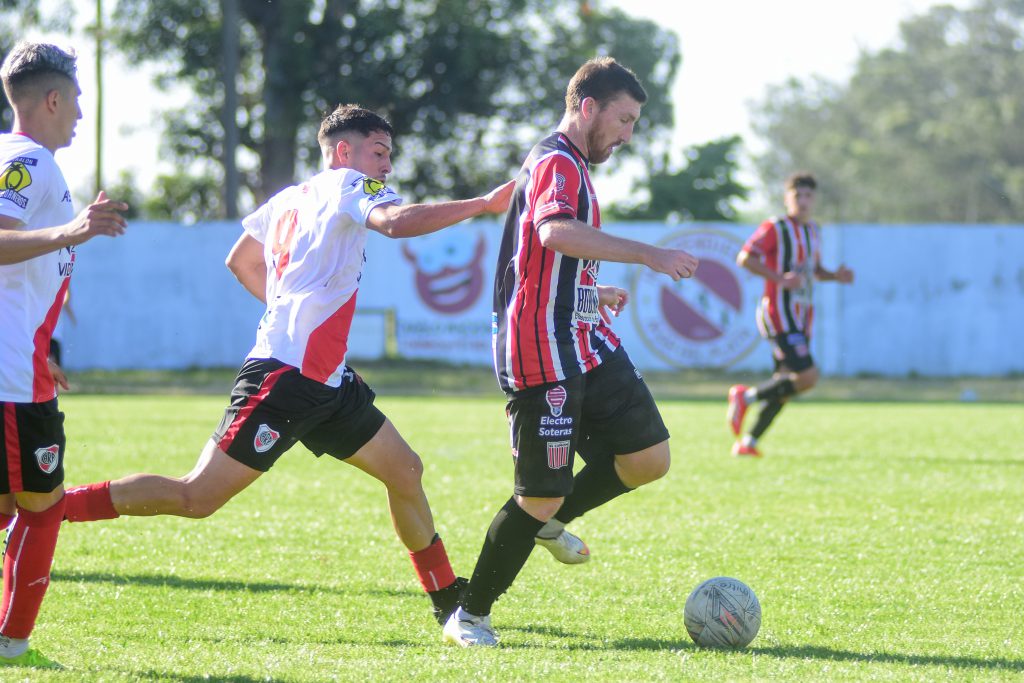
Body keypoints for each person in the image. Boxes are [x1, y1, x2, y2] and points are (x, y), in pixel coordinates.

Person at [62, 104, 514, 629]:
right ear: (343, 152)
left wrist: (290, 311)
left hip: (325, 379)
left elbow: (240, 260)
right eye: (379, 152)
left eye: (388, 155)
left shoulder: (289, 198)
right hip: (286, 379)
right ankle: (49, 510)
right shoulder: (349, 184)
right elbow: (394, 222)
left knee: (405, 470)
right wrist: (484, 203)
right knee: (195, 496)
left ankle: (447, 599)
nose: (387, 166)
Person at [443, 57, 699, 647]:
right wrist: (650, 254)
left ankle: (552, 521)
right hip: (541, 348)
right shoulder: (558, 160)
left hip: (582, 335)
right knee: (540, 493)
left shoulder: (573, 164)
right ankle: (469, 615)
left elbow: (543, 258)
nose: (628, 134)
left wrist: (590, 289)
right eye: (624, 119)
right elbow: (553, 231)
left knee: (647, 458)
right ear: (588, 107)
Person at [0, 41, 129, 669]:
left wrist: (38, 348)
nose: (80, 112)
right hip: (13, 380)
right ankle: (12, 642)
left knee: (9, 508)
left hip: (19, 365)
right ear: (52, 99)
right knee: (42, 508)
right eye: (75, 99)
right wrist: (74, 230)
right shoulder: (30, 161)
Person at [726, 172, 854, 457]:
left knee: (785, 383)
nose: (803, 201)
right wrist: (779, 279)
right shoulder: (776, 227)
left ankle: (748, 443)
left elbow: (813, 271)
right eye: (798, 196)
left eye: (808, 196)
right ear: (787, 199)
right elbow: (745, 258)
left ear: (815, 199)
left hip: (802, 315)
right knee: (807, 377)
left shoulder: (813, 231)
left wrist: (835, 276)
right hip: (778, 312)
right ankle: (745, 397)